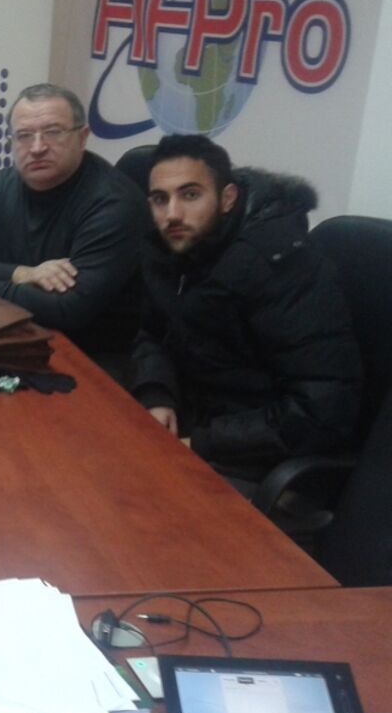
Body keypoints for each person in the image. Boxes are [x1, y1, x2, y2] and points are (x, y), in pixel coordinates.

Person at [131, 133, 362, 479]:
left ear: (228, 198)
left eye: (190, 195)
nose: (172, 214)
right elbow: (151, 333)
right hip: (191, 423)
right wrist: (156, 394)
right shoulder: (171, 250)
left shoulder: (283, 267)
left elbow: (322, 410)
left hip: (256, 458)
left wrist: (204, 443)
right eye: (160, 199)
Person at [0, 83, 147, 370]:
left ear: (82, 137)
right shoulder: (3, 185)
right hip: (15, 337)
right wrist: (22, 274)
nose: (37, 148)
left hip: (93, 359)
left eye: (53, 132)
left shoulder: (114, 203)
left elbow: (70, 308)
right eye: (24, 136)